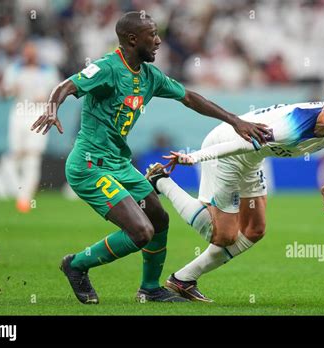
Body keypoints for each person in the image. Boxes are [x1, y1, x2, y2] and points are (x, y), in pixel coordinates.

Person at [30, 12, 269, 304]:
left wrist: (235, 121)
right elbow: (66, 86)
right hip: (90, 167)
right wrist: (53, 106)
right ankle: (77, 264)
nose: (158, 41)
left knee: (159, 218)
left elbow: (190, 98)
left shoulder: (149, 76)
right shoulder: (107, 68)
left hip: (119, 164)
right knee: (142, 231)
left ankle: (150, 288)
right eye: (152, 35)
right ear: (132, 39)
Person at [146, 81, 324, 302]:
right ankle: (161, 182)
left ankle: (183, 279)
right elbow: (240, 145)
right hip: (228, 148)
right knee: (224, 236)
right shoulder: (291, 127)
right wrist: (195, 157)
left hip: (254, 157)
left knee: (255, 229)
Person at [0, 41, 60, 212]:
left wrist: (47, 100)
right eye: (27, 52)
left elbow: (58, 94)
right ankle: (14, 189)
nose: (29, 55)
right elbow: (3, 94)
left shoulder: (48, 71)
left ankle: (25, 198)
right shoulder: (14, 69)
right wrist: (10, 90)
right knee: (16, 154)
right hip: (19, 114)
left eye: (32, 52)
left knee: (33, 155)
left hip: (39, 114)